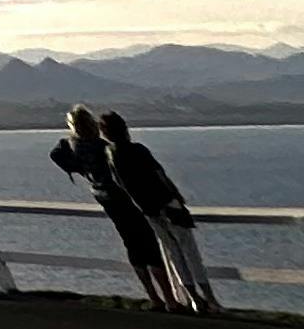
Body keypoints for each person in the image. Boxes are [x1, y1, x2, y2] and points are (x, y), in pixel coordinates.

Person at [52, 105, 179, 310]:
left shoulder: (71, 146)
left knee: (132, 244)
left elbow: (55, 154)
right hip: (124, 198)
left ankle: (154, 297)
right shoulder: (103, 147)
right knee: (149, 244)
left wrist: (77, 169)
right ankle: (170, 299)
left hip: (104, 198)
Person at [99, 116, 222, 315]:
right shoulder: (138, 150)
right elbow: (160, 176)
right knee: (190, 252)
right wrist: (178, 198)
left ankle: (194, 299)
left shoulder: (111, 155)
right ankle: (210, 299)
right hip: (167, 204)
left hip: (148, 210)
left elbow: (123, 185)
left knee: (174, 254)